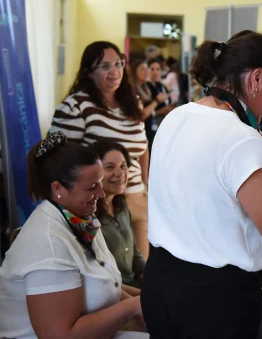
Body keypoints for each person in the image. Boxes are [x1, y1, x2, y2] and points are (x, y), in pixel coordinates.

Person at [140, 30, 262, 338]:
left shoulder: (177, 116)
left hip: (160, 284)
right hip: (214, 302)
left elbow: (205, 189)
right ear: (257, 79)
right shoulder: (242, 138)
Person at [0, 132, 146, 338]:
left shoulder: (79, 219)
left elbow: (101, 282)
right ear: (58, 188)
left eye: (100, 183)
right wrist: (134, 306)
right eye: (91, 187)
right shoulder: (48, 244)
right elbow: (59, 335)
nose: (101, 194)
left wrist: (144, 299)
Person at [50, 41, 151, 260]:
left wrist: (145, 182)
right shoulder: (76, 106)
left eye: (118, 64)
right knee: (110, 277)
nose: (114, 71)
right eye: (105, 66)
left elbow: (142, 148)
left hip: (134, 197)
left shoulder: (132, 103)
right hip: (98, 204)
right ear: (89, 72)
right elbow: (59, 158)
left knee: (144, 270)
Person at [91, 141, 146, 288]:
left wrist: (150, 277)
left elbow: (134, 252)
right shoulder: (89, 217)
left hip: (134, 287)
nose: (120, 173)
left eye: (123, 166)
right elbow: (98, 275)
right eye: (110, 167)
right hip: (116, 294)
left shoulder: (121, 207)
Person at [129, 60, 168, 150]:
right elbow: (143, 114)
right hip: (140, 132)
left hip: (151, 129)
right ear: (134, 71)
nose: (147, 72)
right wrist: (156, 101)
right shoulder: (133, 90)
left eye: (147, 69)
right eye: (142, 69)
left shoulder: (147, 86)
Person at [146, 58, 175, 127]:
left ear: (161, 71)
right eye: (152, 69)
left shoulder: (163, 86)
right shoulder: (146, 87)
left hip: (165, 121)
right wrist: (160, 111)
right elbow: (144, 113)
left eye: (158, 69)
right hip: (152, 124)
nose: (155, 72)